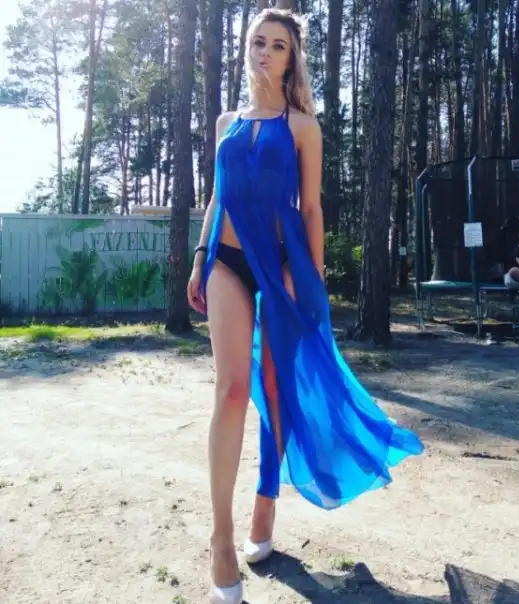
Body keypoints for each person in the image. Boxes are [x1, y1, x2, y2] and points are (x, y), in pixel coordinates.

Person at [185, 9, 424, 604]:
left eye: (278, 45)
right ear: (247, 49)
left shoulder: (302, 126)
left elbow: (311, 208)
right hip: (226, 262)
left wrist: (310, 278)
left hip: (283, 264)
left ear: (292, 59)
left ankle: (265, 499)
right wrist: (199, 256)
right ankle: (220, 540)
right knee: (231, 390)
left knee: (275, 388)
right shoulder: (226, 122)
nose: (265, 52)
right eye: (258, 42)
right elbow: (217, 196)